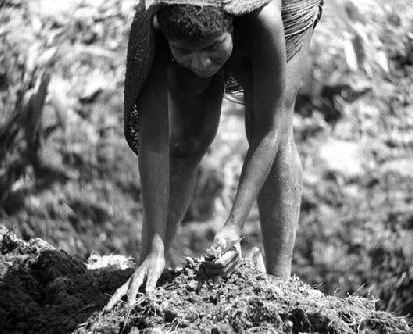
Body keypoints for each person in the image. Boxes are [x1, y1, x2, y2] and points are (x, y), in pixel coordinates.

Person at [105, 0, 323, 311]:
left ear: (231, 25)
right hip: (201, 29)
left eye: (212, 49)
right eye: (184, 52)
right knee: (187, 142)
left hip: (274, 10)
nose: (202, 64)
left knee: (278, 125)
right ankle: (153, 264)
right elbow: (154, 139)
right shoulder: (151, 26)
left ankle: (281, 283)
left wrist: (233, 226)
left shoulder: (264, 21)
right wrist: (152, 249)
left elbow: (268, 132)